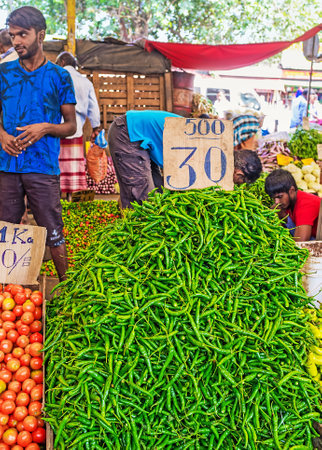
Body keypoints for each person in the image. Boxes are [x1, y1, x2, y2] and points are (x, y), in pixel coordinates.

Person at [0, 6, 77, 281]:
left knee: (52, 229)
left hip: (43, 167)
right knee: (5, 229)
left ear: (40, 35)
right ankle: (7, 291)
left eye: (23, 34)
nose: (17, 41)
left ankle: (69, 291)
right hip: (7, 165)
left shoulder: (59, 77)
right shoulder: (4, 73)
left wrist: (45, 127)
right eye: (12, 35)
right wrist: (2, 135)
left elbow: (71, 126)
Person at [108, 110, 262, 208]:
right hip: (128, 132)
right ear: (238, 172)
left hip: (141, 139)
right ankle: (131, 243)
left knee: (157, 192)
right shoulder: (210, 152)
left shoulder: (216, 155)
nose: (231, 183)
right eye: (236, 181)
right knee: (143, 200)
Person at [56, 51, 101, 196]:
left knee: (56, 168)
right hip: (75, 131)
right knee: (73, 169)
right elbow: (93, 108)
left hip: (55, 130)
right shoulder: (85, 82)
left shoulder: (56, 77)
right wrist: (95, 128)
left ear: (62, 62)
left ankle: (56, 199)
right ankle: (71, 199)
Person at [265, 169, 321, 242]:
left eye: (280, 196)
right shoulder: (289, 201)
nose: (276, 202)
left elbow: (300, 245)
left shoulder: (305, 204)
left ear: (291, 191)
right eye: (274, 198)